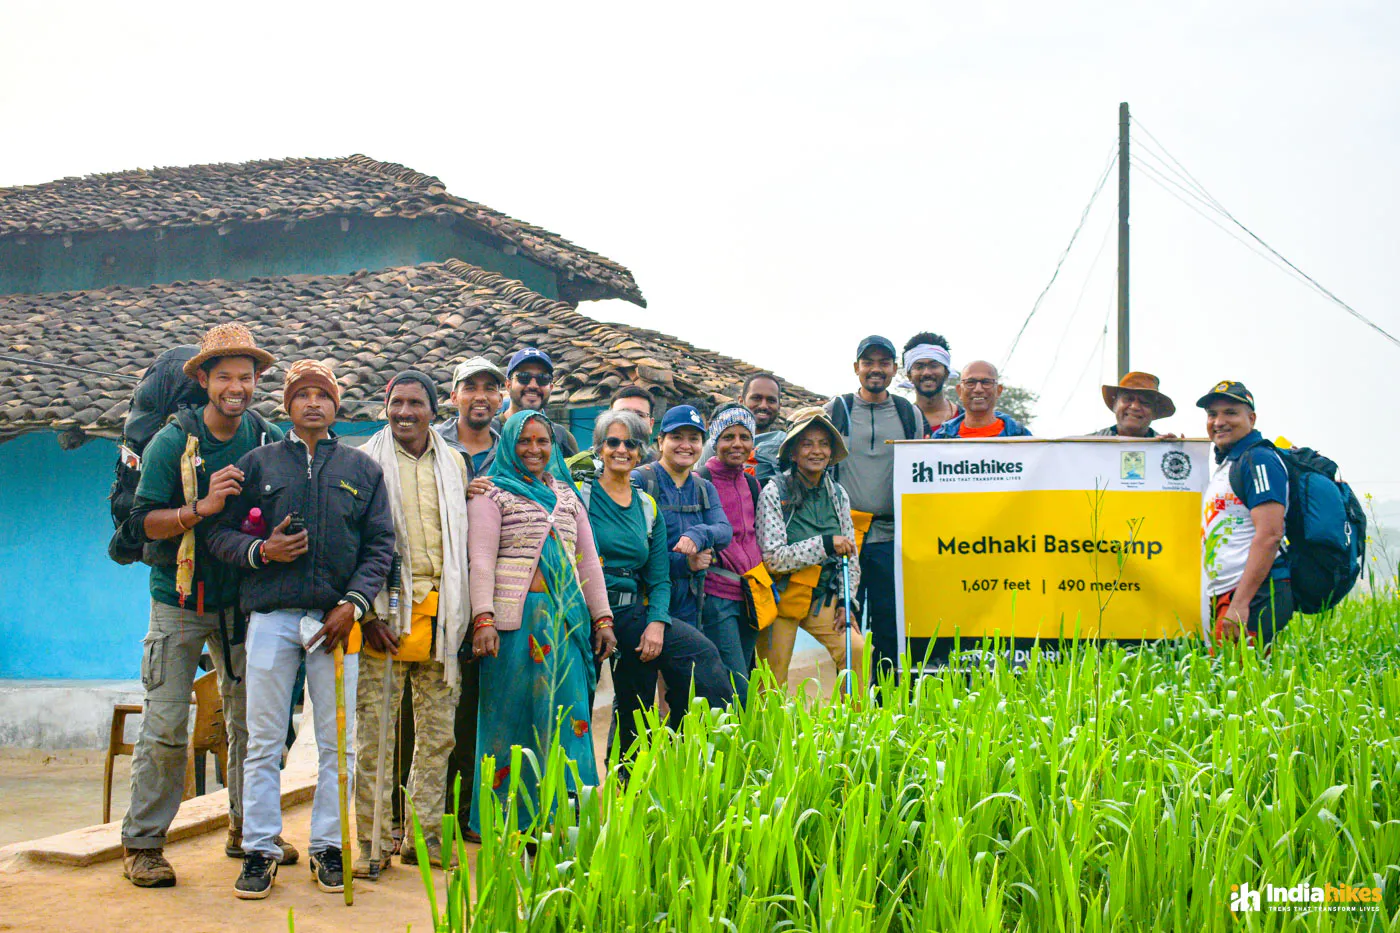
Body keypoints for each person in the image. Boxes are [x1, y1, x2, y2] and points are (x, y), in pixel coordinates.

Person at [207, 359, 394, 900]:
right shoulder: (258, 463)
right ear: (286, 405)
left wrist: (354, 604)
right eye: (302, 394)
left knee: (339, 744)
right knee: (264, 741)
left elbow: (381, 544)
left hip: (336, 624)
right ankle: (261, 850)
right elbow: (220, 534)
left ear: (337, 406)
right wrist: (260, 552)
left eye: (323, 395)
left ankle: (328, 847)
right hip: (270, 619)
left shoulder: (361, 470)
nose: (313, 403)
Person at [120, 323, 290, 888]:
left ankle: (248, 831)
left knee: (250, 722)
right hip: (178, 597)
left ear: (257, 380)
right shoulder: (173, 441)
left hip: (242, 601)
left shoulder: (263, 437)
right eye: (224, 377)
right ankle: (143, 844)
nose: (235, 387)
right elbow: (140, 523)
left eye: (245, 377)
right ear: (203, 379)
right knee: (167, 724)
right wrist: (202, 505)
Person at [466, 411, 616, 834]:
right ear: (509, 445)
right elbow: (481, 560)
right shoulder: (491, 494)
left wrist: (601, 618)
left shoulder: (568, 495)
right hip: (513, 628)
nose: (534, 449)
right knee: (510, 719)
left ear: (553, 446)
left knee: (568, 718)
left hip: (566, 625)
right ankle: (506, 821)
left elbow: (587, 558)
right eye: (524, 441)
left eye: (542, 441)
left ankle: (566, 817)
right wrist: (484, 619)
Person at [353, 372, 471, 877]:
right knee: (376, 735)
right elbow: (351, 543)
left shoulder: (455, 463)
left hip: (443, 613)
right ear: (385, 406)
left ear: (433, 409)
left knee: (438, 736)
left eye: (415, 403)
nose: (405, 412)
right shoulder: (362, 460)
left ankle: (424, 839)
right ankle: (372, 843)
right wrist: (370, 613)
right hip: (384, 614)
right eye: (397, 402)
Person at [580, 410, 732, 760]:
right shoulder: (580, 496)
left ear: (641, 448)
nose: (622, 450)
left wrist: (657, 623)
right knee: (578, 704)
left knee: (687, 666)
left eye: (630, 443)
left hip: (632, 611)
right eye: (613, 442)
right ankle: (571, 792)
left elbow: (659, 575)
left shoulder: (646, 505)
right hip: (583, 612)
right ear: (599, 448)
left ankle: (642, 777)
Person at [824, 336, 925, 684]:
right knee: (841, 622)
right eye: (869, 362)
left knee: (887, 624)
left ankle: (884, 707)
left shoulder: (908, 414)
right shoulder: (836, 410)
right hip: (844, 538)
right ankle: (845, 708)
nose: (876, 369)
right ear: (856, 368)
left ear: (895, 370)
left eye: (884, 362)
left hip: (889, 536)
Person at [632, 406, 735, 716]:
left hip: (689, 603)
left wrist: (699, 535)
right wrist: (685, 563)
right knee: (637, 696)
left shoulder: (703, 487)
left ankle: (677, 760)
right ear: (660, 440)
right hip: (645, 603)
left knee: (684, 693)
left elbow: (724, 529)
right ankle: (626, 763)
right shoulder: (640, 481)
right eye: (677, 437)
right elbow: (635, 550)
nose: (686, 445)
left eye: (694, 438)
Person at [755, 407, 865, 689]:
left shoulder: (837, 493)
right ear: (793, 453)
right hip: (783, 597)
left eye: (824, 444)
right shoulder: (774, 491)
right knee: (771, 680)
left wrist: (846, 601)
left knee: (856, 651)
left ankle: (850, 728)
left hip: (822, 597)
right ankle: (772, 733)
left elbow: (850, 557)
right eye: (807, 444)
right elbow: (773, 559)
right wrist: (825, 544)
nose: (817, 451)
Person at [1198, 381, 1293, 649]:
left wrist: (1240, 603)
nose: (1219, 421)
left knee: (1239, 684)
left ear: (1250, 418)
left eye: (1230, 412)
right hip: (1231, 593)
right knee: (1229, 679)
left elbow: (1270, 535)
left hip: (1254, 594)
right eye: (1212, 414)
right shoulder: (1231, 461)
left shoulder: (1258, 459)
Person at [696, 403, 766, 694]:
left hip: (751, 595)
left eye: (744, 436)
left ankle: (740, 736)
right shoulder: (702, 481)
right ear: (714, 440)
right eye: (728, 437)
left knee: (746, 672)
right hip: (717, 596)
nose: (737, 444)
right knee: (736, 683)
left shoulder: (751, 483)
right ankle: (734, 736)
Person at [701, 373, 784, 483]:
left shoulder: (785, 446)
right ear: (741, 401)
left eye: (771, 400)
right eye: (756, 398)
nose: (763, 405)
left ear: (779, 406)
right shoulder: (715, 444)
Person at [495, 347, 579, 456]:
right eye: (524, 377)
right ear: (508, 385)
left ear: (551, 387)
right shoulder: (490, 432)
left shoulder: (561, 436)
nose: (533, 386)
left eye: (543, 378)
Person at [437, 356, 505, 479]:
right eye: (470, 389)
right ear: (454, 398)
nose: (480, 397)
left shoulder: (507, 456)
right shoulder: (433, 444)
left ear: (500, 400)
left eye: (489, 389)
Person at [931, 361, 1033, 439]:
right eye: (970, 382)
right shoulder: (941, 438)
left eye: (986, 382)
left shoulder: (1020, 436)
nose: (978, 389)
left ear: (998, 390)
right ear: (959, 391)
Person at [901, 333, 960, 432]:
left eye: (934, 365)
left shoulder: (965, 419)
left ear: (946, 372)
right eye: (919, 367)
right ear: (909, 375)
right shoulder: (901, 421)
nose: (926, 373)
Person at [1092, 372, 1177, 438]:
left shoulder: (1165, 449)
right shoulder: (1086, 446)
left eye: (1144, 402)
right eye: (1128, 399)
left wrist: (1179, 450)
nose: (1135, 407)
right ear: (1115, 405)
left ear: (1154, 413)